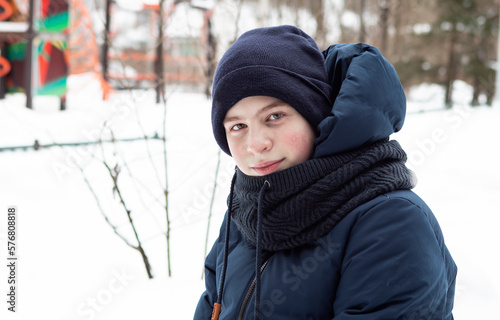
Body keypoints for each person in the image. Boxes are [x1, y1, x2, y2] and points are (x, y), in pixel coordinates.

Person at [194, 25, 457, 320]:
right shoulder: (244, 215)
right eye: (237, 126)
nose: (256, 145)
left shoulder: (391, 222)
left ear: (315, 115)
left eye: (275, 116)